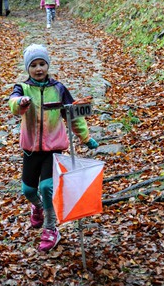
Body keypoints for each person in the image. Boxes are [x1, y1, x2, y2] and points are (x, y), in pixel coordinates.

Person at [7, 44, 98, 252]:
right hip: (30, 148)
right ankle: (37, 207)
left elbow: (72, 113)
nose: (38, 69)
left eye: (42, 64)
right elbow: (13, 104)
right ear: (27, 68)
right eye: (34, 65)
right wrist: (21, 102)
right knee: (28, 190)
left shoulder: (58, 88)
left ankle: (50, 228)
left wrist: (85, 138)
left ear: (47, 65)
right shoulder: (22, 87)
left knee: (47, 187)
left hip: (53, 148)